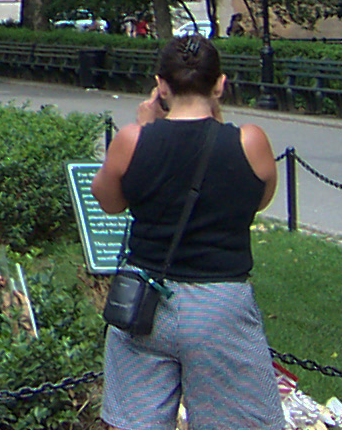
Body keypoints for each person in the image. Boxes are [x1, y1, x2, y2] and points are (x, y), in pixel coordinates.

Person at [92, 36, 282, 430]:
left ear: (161, 86)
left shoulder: (133, 139)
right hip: (220, 303)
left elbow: (108, 201)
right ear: (220, 85)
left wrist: (146, 129)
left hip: (144, 301)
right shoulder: (250, 141)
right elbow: (259, 199)